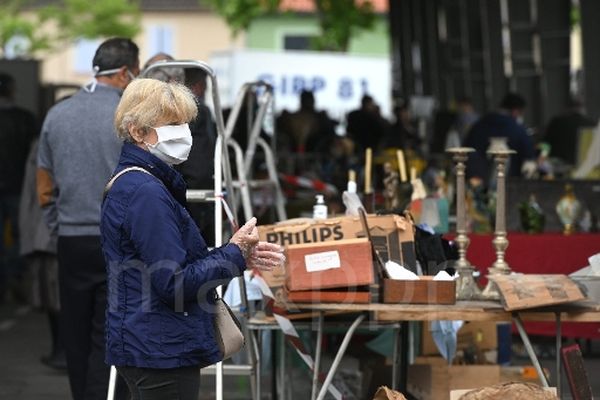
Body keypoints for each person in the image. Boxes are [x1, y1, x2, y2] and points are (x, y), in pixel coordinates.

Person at [101, 78, 284, 399]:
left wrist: (236, 254)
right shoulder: (146, 192)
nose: (183, 132)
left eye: (185, 123)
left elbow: (167, 263)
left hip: (153, 343)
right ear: (137, 131)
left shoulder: (145, 185)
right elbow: (174, 283)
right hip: (159, 349)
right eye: (172, 123)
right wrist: (232, 254)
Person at [36, 37, 139, 400]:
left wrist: (58, 225)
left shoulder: (57, 114)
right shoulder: (129, 118)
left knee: (75, 334)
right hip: (118, 243)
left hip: (70, 241)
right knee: (111, 333)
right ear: (126, 72)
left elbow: (44, 186)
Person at [19, 138, 65, 369]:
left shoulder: (43, 142)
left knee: (53, 296)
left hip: (49, 232)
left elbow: (36, 190)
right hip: (66, 229)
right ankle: (63, 351)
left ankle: (61, 351)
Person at [0, 72, 36, 303]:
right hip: (18, 185)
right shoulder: (26, 119)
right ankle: (15, 274)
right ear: (12, 91)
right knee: (20, 234)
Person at [177, 67, 217, 245]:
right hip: (197, 186)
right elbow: (202, 154)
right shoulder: (199, 110)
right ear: (201, 85)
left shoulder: (177, 108)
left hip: (183, 182)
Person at [463, 92, 535, 188]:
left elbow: (466, 148)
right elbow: (529, 155)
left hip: (476, 182)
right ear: (515, 111)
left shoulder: (480, 124)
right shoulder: (518, 129)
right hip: (509, 184)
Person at [543, 96, 596, 166]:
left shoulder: (557, 122)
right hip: (584, 167)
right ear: (582, 108)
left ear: (566, 107)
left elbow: (545, 144)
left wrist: (541, 159)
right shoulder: (591, 124)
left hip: (559, 167)